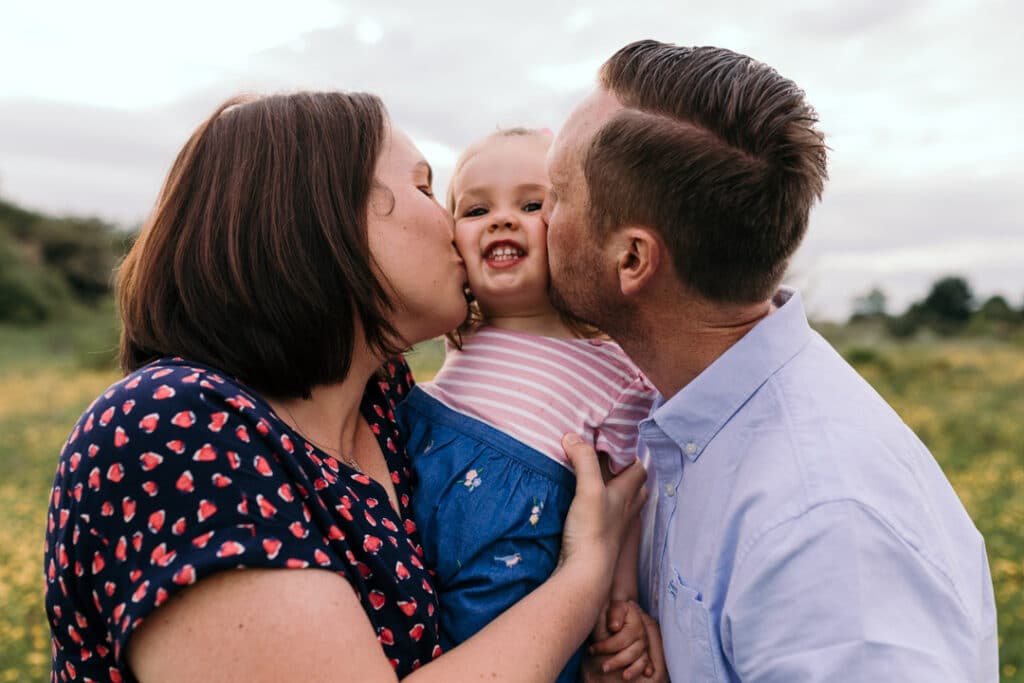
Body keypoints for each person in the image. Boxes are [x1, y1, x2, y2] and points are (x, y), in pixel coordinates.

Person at [42, 91, 650, 682]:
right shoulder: (171, 425)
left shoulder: (385, 411)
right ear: (318, 216)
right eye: (422, 187)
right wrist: (583, 576)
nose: (452, 221)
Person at [544, 40, 1000, 681]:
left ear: (632, 261)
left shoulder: (825, 532)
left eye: (556, 195)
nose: (538, 219)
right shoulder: (674, 411)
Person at [395, 128, 660, 682]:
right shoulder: (450, 336)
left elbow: (623, 506)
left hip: (512, 580)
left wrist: (621, 606)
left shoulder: (619, 370)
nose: (502, 219)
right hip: (410, 555)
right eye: (475, 209)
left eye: (533, 204)